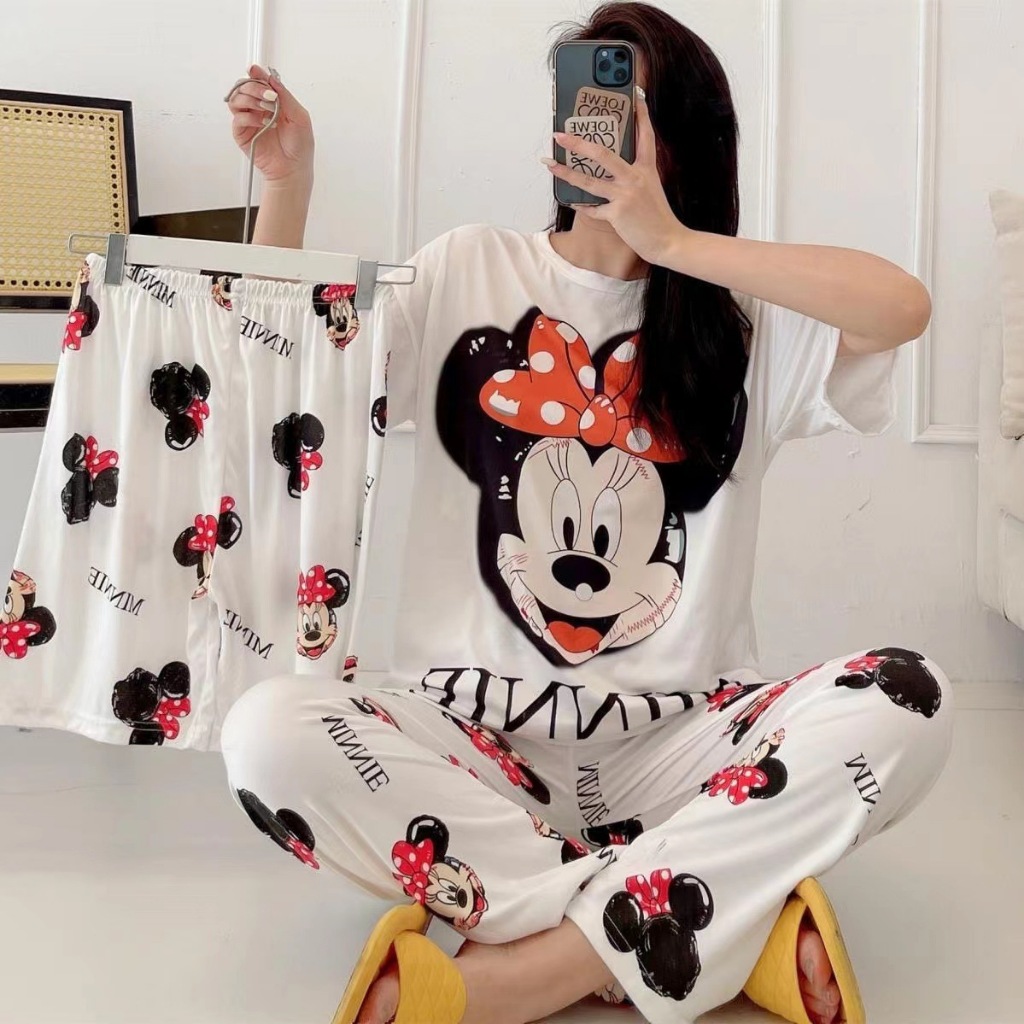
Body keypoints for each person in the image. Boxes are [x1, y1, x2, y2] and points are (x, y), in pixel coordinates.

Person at [221, 4, 953, 1023]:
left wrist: (677, 241)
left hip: (683, 748)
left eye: (630, 106)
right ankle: (699, 930)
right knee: (267, 730)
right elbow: (290, 365)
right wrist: (286, 185)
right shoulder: (468, 266)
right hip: (476, 747)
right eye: (584, 96)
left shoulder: (737, 323)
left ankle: (526, 968)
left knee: (909, 696)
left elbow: (902, 306)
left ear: (683, 140)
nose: (596, 124)